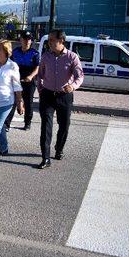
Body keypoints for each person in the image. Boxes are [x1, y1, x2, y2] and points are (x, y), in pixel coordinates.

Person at [37, 29, 84, 169]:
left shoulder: (72, 57)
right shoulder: (46, 56)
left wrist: (73, 86)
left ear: (61, 41)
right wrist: (40, 89)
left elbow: (79, 76)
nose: (49, 42)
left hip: (65, 96)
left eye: (52, 40)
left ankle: (59, 148)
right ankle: (45, 158)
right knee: (46, 126)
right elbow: (40, 74)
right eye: (49, 40)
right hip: (47, 95)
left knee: (64, 125)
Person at [4, 30, 40, 131]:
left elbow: (37, 67)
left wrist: (31, 76)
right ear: (21, 40)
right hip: (16, 78)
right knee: (13, 102)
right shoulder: (15, 52)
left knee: (28, 103)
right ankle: (7, 124)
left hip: (29, 80)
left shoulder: (35, 53)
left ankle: (27, 123)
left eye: (29, 39)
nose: (27, 41)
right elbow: (9, 65)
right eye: (25, 39)